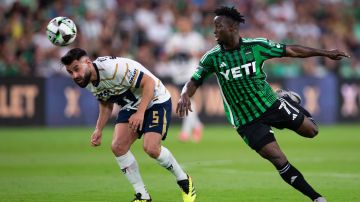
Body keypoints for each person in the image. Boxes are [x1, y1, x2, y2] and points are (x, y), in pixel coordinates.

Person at [176, 6, 350, 202]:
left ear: (232, 27)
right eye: (213, 27)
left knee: (312, 131)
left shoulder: (256, 46)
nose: (214, 31)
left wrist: (325, 53)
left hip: (270, 104)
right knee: (279, 160)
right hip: (246, 120)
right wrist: (184, 95)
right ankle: (317, 199)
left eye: (218, 26)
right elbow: (193, 81)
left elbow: (290, 50)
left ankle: (284, 99)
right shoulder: (212, 58)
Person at [60, 48, 196, 202]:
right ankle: (142, 195)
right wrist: (99, 129)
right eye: (70, 72)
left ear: (88, 63)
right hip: (131, 105)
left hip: (155, 98)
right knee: (118, 146)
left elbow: (149, 83)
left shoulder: (113, 68)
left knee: (151, 148)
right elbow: (106, 104)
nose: (75, 76)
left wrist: (140, 113)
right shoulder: (88, 82)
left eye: (76, 69)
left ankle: (184, 181)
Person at [164, 16, 206, 142]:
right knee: (186, 100)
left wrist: (192, 54)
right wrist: (173, 53)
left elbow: (204, 54)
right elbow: (166, 56)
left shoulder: (196, 38)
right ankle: (197, 126)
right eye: (180, 23)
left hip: (191, 72)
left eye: (185, 23)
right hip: (178, 73)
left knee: (186, 98)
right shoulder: (173, 39)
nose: (183, 26)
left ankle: (185, 132)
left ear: (190, 24)